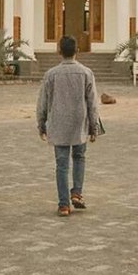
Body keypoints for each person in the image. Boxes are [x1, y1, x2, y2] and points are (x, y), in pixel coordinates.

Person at [36, 35, 99, 217]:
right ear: (77, 51)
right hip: (80, 122)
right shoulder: (86, 73)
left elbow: (42, 102)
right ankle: (77, 192)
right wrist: (93, 127)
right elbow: (92, 103)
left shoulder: (51, 75)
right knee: (79, 157)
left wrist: (41, 124)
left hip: (58, 122)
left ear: (59, 51)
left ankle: (64, 205)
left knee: (61, 164)